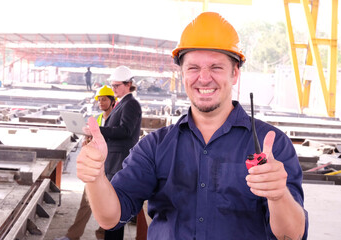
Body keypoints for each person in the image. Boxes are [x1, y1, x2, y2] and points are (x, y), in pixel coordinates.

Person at [77, 12, 308, 240]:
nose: (204, 78)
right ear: (182, 73)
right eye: (194, 68)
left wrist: (278, 196)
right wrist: (96, 178)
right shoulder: (155, 147)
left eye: (216, 67)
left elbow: (292, 235)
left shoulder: (273, 145)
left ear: (235, 72)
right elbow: (109, 218)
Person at [55, 85, 117, 240]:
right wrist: (86, 140)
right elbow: (91, 138)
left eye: (104, 99)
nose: (101, 102)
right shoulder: (97, 119)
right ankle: (72, 235)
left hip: (112, 166)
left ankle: (102, 235)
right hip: (95, 167)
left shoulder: (116, 119)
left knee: (106, 205)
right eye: (99, 99)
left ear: (112, 101)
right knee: (86, 202)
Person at [91, 65, 142, 239]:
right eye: (112, 86)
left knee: (115, 208)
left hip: (119, 162)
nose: (114, 90)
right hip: (114, 161)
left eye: (116, 86)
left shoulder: (131, 104)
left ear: (128, 84)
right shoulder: (123, 104)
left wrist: (99, 131)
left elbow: (125, 131)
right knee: (111, 208)